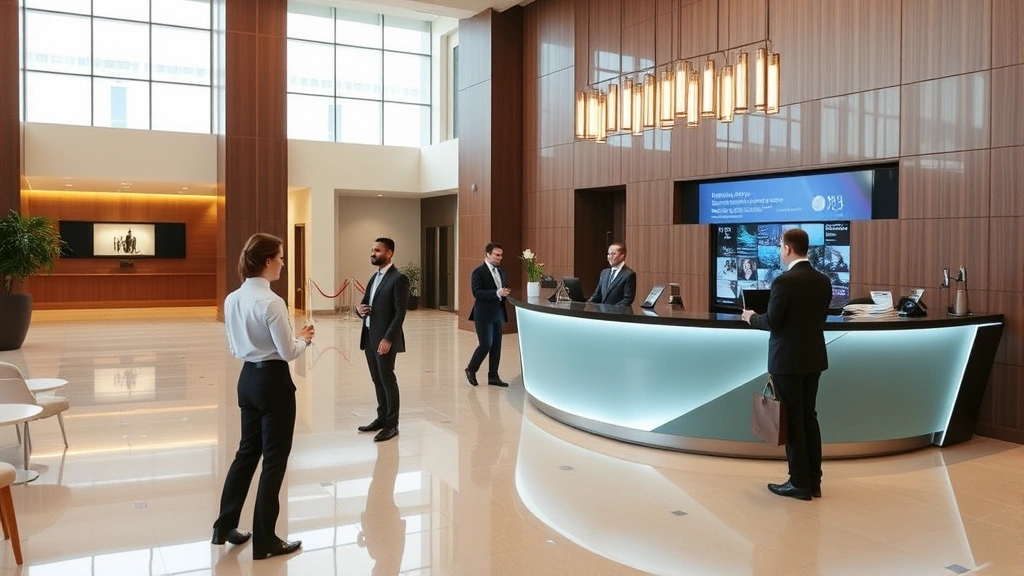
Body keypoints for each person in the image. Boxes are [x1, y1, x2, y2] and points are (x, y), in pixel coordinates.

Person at [213, 232, 312, 560]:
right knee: (274, 460)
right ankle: (266, 539)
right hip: (273, 383)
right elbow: (287, 352)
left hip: (247, 380)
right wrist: (305, 339)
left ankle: (224, 526)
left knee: (246, 454)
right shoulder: (271, 302)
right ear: (268, 261)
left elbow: (233, 345)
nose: (283, 263)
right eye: (281, 258)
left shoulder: (232, 299)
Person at [741, 228, 832, 501]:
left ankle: (798, 483)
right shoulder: (823, 280)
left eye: (781, 246)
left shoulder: (784, 281)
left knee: (792, 421)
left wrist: (751, 317)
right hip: (813, 357)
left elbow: (772, 321)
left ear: (788, 248)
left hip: (787, 361)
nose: (780, 251)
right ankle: (814, 480)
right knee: (809, 417)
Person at [356, 237, 410, 442]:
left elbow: (400, 313)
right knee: (377, 379)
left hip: (384, 339)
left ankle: (392, 425)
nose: (373, 253)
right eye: (372, 250)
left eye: (377, 250)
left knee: (387, 379)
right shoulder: (374, 276)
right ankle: (381, 418)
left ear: (389, 253)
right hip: (370, 337)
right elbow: (364, 304)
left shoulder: (399, 279)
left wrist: (388, 339)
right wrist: (358, 310)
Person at [466, 242, 511, 388]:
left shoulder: (501, 271)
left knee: (496, 346)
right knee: (485, 344)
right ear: (487, 254)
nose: (500, 258)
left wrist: (504, 292)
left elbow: (502, 287)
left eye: (501, 255)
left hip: (497, 312)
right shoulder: (478, 272)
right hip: (483, 314)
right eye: (497, 255)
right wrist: (497, 293)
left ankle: (493, 376)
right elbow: (476, 292)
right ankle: (471, 369)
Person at [588, 242, 636, 306]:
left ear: (622, 256)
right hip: (602, 313)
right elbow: (597, 295)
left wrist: (612, 310)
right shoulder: (604, 273)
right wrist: (586, 305)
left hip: (617, 314)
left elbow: (627, 299)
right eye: (608, 254)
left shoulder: (629, 274)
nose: (609, 257)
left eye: (613, 254)